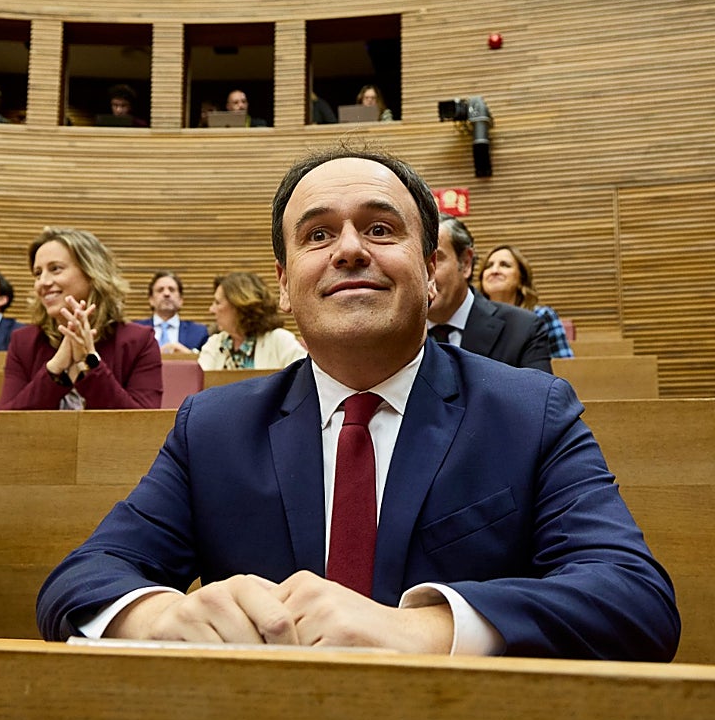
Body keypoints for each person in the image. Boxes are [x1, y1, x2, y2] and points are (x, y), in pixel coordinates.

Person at [36, 146, 679, 661]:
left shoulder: (529, 411)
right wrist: (160, 616)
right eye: (317, 235)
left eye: (378, 228)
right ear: (285, 287)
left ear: (431, 272)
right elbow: (82, 577)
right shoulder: (213, 428)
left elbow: (634, 600)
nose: (348, 249)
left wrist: (429, 631)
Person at [0, 227, 162, 410]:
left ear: (91, 273)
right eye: (37, 273)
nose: (43, 282)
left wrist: (89, 362)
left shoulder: (138, 341)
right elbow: (8, 424)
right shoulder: (23, 342)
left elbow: (142, 425)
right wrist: (54, 369)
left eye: (55, 269)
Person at [426, 215, 551, 372]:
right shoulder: (395, 332)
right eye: (416, 260)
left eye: (435, 260)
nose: (425, 273)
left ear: (465, 263)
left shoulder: (523, 329)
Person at [197, 272, 306, 371]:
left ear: (238, 306)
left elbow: (306, 382)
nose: (211, 310)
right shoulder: (215, 343)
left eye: (217, 302)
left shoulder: (280, 341)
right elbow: (198, 386)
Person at [480, 244, 574, 359]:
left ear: (521, 279)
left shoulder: (542, 317)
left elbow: (564, 365)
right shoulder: (472, 319)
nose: (494, 271)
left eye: (505, 265)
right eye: (488, 266)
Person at [133, 271, 208, 354]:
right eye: (160, 290)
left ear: (181, 300)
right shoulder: (135, 331)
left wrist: (189, 355)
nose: (166, 293)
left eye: (172, 290)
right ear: (151, 300)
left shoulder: (198, 332)